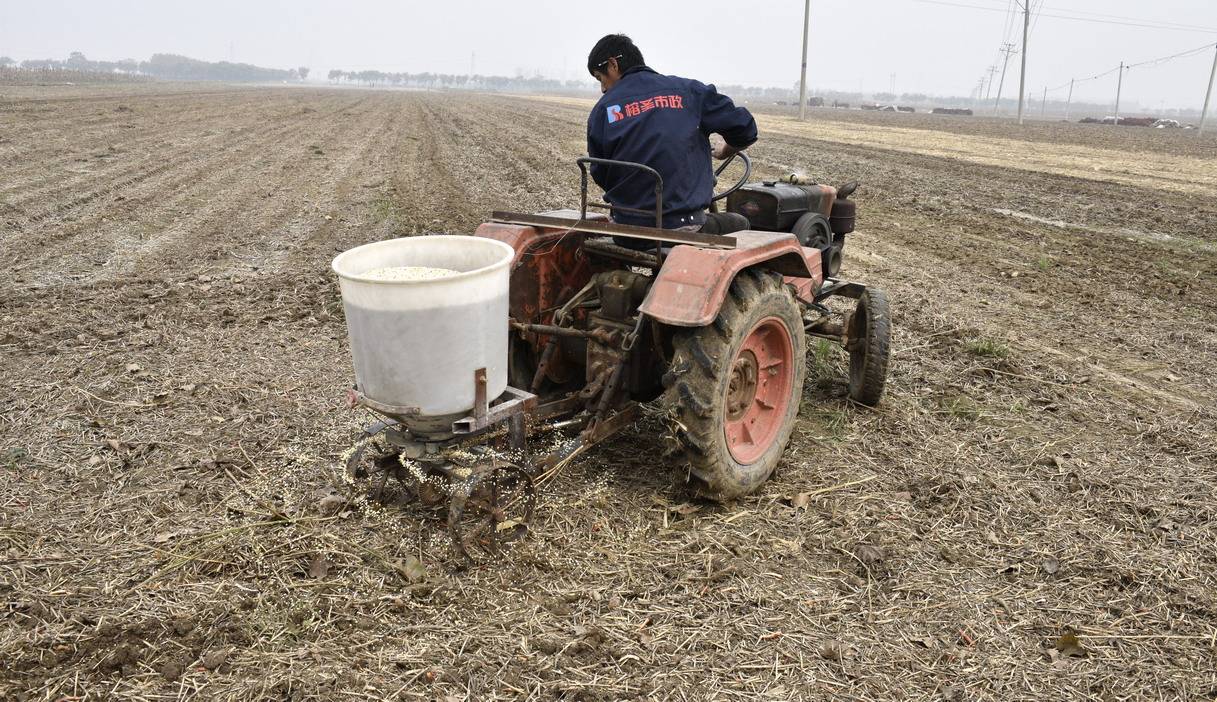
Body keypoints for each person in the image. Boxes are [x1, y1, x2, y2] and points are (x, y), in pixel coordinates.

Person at [585, 34, 756, 239]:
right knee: (742, 223)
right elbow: (745, 128)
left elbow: (600, 172)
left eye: (600, 78)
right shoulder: (688, 92)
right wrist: (725, 151)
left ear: (613, 64)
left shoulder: (602, 110)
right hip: (682, 228)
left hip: (627, 230)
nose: (603, 88)